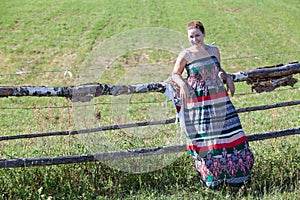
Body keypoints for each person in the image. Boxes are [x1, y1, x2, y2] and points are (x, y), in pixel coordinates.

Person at [166, 20, 254, 189]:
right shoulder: (186, 54)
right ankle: (212, 180)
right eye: (191, 36)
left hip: (219, 98)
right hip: (199, 103)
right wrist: (183, 85)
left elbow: (219, 69)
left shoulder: (214, 50)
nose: (194, 39)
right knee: (207, 138)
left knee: (230, 133)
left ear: (204, 34)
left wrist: (227, 77)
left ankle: (236, 178)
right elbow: (175, 74)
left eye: (197, 35)